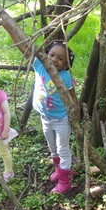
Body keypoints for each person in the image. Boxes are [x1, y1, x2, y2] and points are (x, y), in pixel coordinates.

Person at [33, 40, 76, 194]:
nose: (54, 60)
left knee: (62, 149)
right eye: (51, 55)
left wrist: (75, 112)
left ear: (66, 65)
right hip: (45, 117)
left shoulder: (65, 76)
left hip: (61, 120)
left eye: (60, 58)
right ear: (46, 55)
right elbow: (24, 48)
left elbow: (72, 95)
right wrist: (7, 25)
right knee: (52, 147)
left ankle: (65, 182)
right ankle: (59, 169)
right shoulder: (40, 66)